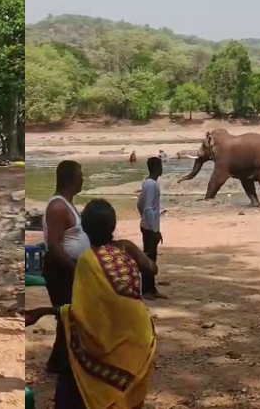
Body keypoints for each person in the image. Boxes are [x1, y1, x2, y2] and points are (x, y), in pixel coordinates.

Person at [26, 199, 159, 409]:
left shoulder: (88, 261)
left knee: (73, 380)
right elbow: (151, 268)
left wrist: (43, 311)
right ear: (113, 226)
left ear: (84, 228)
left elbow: (82, 315)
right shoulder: (125, 247)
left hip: (115, 348)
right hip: (141, 342)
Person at [42, 160, 90, 374]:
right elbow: (54, 244)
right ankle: (61, 364)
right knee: (67, 315)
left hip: (69, 267)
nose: (83, 179)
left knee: (69, 316)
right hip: (60, 269)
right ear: (71, 179)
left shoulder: (67, 204)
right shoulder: (58, 206)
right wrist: (73, 268)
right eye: (80, 176)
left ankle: (59, 361)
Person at [137, 157, 167, 299]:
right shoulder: (151, 185)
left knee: (151, 257)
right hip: (150, 228)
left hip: (148, 225)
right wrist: (155, 230)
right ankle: (147, 290)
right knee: (149, 257)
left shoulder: (148, 183)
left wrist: (143, 217)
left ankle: (152, 288)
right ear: (156, 168)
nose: (162, 168)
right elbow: (148, 208)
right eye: (160, 166)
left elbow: (140, 204)